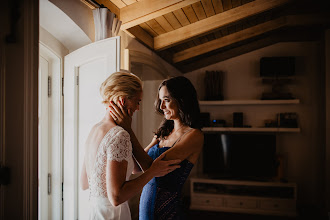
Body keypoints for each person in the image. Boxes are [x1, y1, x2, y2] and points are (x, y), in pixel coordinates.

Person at [80, 71, 181, 220]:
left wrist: (153, 143)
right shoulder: (118, 134)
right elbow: (116, 197)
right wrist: (152, 172)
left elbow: (84, 183)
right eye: (137, 101)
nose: (137, 108)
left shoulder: (95, 129)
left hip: (95, 213)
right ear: (122, 100)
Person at [109, 76, 204, 220]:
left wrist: (128, 129)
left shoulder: (194, 135)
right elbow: (136, 168)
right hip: (146, 208)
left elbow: (151, 168)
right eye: (160, 101)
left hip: (168, 211)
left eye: (166, 100)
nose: (161, 107)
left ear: (182, 100)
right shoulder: (163, 132)